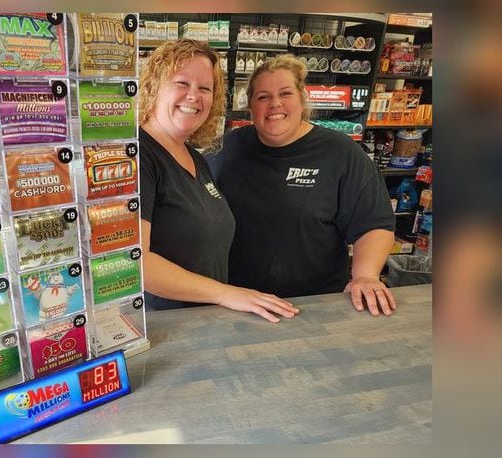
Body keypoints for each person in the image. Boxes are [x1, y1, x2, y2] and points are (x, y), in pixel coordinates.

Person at [211, 54, 398, 316]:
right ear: (250, 105)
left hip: (315, 305)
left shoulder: (341, 153)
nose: (275, 104)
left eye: (285, 93)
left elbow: (374, 224)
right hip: (239, 302)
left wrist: (365, 276)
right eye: (263, 97)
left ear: (302, 99)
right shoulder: (225, 149)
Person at [138, 39, 299, 323]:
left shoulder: (194, 157)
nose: (193, 96)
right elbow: (137, 264)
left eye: (204, 88)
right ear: (154, 86)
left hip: (206, 323)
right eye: (182, 83)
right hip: (167, 330)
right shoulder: (139, 155)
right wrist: (225, 293)